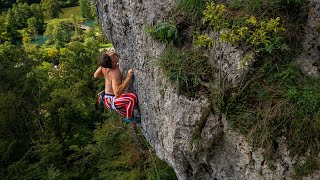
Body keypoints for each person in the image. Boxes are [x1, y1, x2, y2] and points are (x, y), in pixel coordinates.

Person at [94, 51, 140, 124]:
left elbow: (96, 75)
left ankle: (130, 117)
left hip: (109, 99)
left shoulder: (104, 66)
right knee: (132, 97)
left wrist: (108, 78)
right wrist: (128, 77)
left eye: (110, 53)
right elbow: (117, 93)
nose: (113, 53)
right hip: (113, 100)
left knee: (132, 111)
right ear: (112, 63)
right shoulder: (115, 73)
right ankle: (129, 118)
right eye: (113, 56)